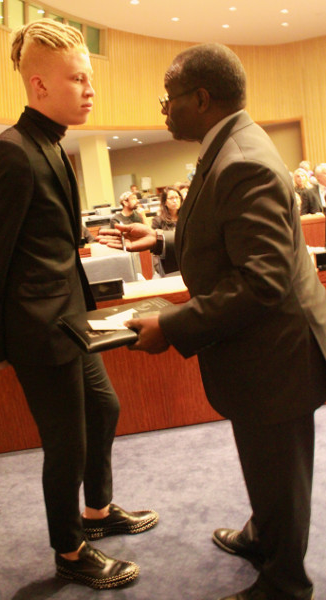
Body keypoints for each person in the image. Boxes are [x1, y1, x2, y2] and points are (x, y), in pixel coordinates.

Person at [98, 42, 326, 600]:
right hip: (261, 348)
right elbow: (225, 235)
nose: (163, 109)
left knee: (278, 469)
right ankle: (262, 536)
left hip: (277, 352)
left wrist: (172, 326)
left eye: (167, 98)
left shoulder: (242, 159)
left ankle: (284, 585)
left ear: (201, 99)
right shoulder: (228, 144)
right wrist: (164, 241)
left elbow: (261, 281)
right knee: (264, 462)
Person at [0, 19, 158, 590]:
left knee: (105, 410)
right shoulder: (10, 153)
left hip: (72, 322)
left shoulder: (50, 143)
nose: (90, 90)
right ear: (40, 85)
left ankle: (96, 512)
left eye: (89, 78)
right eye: (78, 79)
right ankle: (70, 550)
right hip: (38, 330)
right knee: (66, 443)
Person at [151, 186, 182, 276]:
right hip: (167, 261)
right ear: (165, 202)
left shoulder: (186, 218)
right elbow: (155, 247)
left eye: (177, 197)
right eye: (171, 198)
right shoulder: (158, 221)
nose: (175, 201)